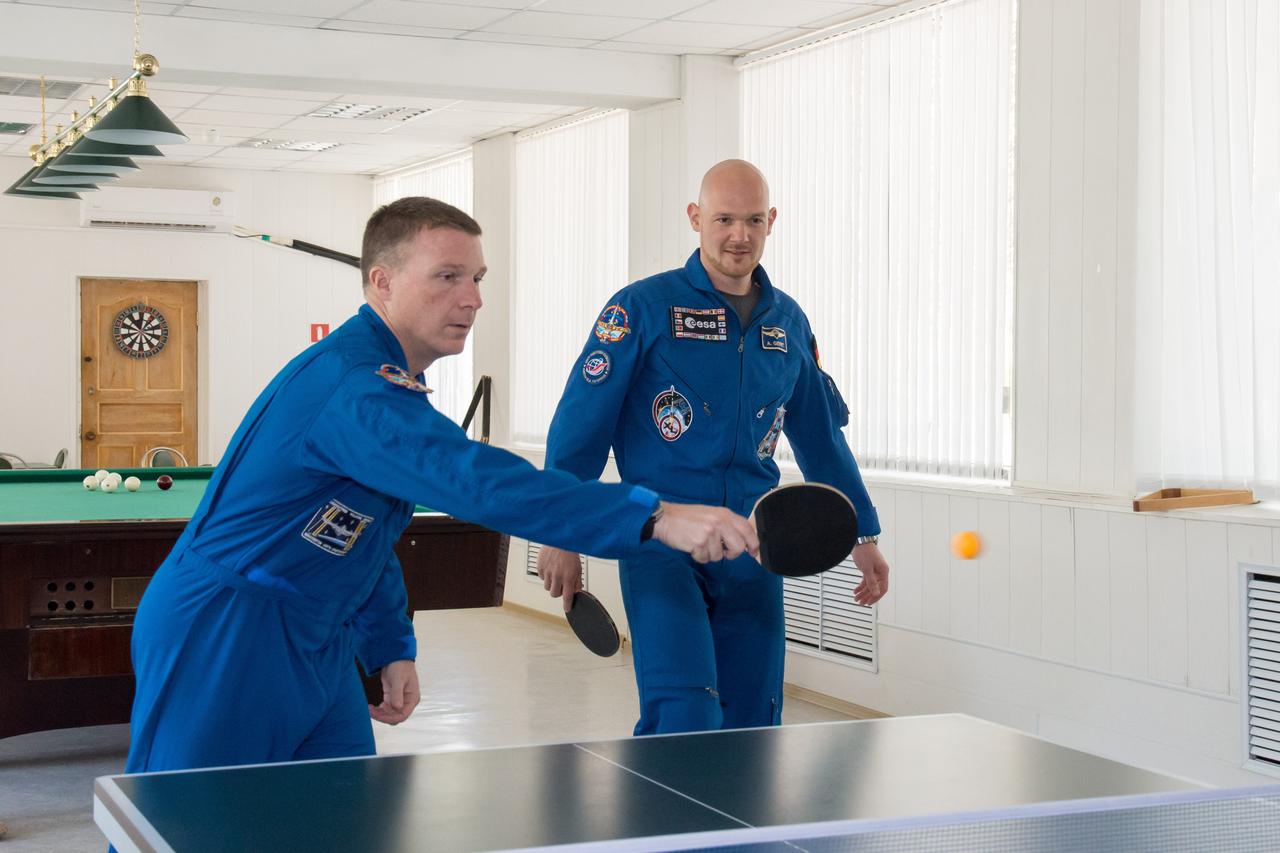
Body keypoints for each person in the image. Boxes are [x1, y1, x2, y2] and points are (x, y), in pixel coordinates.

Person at [123, 197, 758, 777]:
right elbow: (474, 479)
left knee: (337, 824)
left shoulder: (389, 381)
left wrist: (388, 643)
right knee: (180, 829)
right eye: (447, 276)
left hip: (320, 632)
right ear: (383, 282)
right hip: (228, 630)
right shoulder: (357, 387)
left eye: (477, 278)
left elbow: (361, 535)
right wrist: (652, 516)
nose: (473, 299)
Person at [537, 160, 890, 735]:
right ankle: (667, 827)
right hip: (660, 542)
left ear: (771, 221)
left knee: (753, 721)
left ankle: (741, 829)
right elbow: (580, 427)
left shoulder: (788, 323)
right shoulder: (640, 309)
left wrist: (862, 533)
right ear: (696, 219)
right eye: (724, 218)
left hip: (754, 547)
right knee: (686, 713)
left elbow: (821, 439)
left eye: (753, 220)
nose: (739, 235)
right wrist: (560, 533)